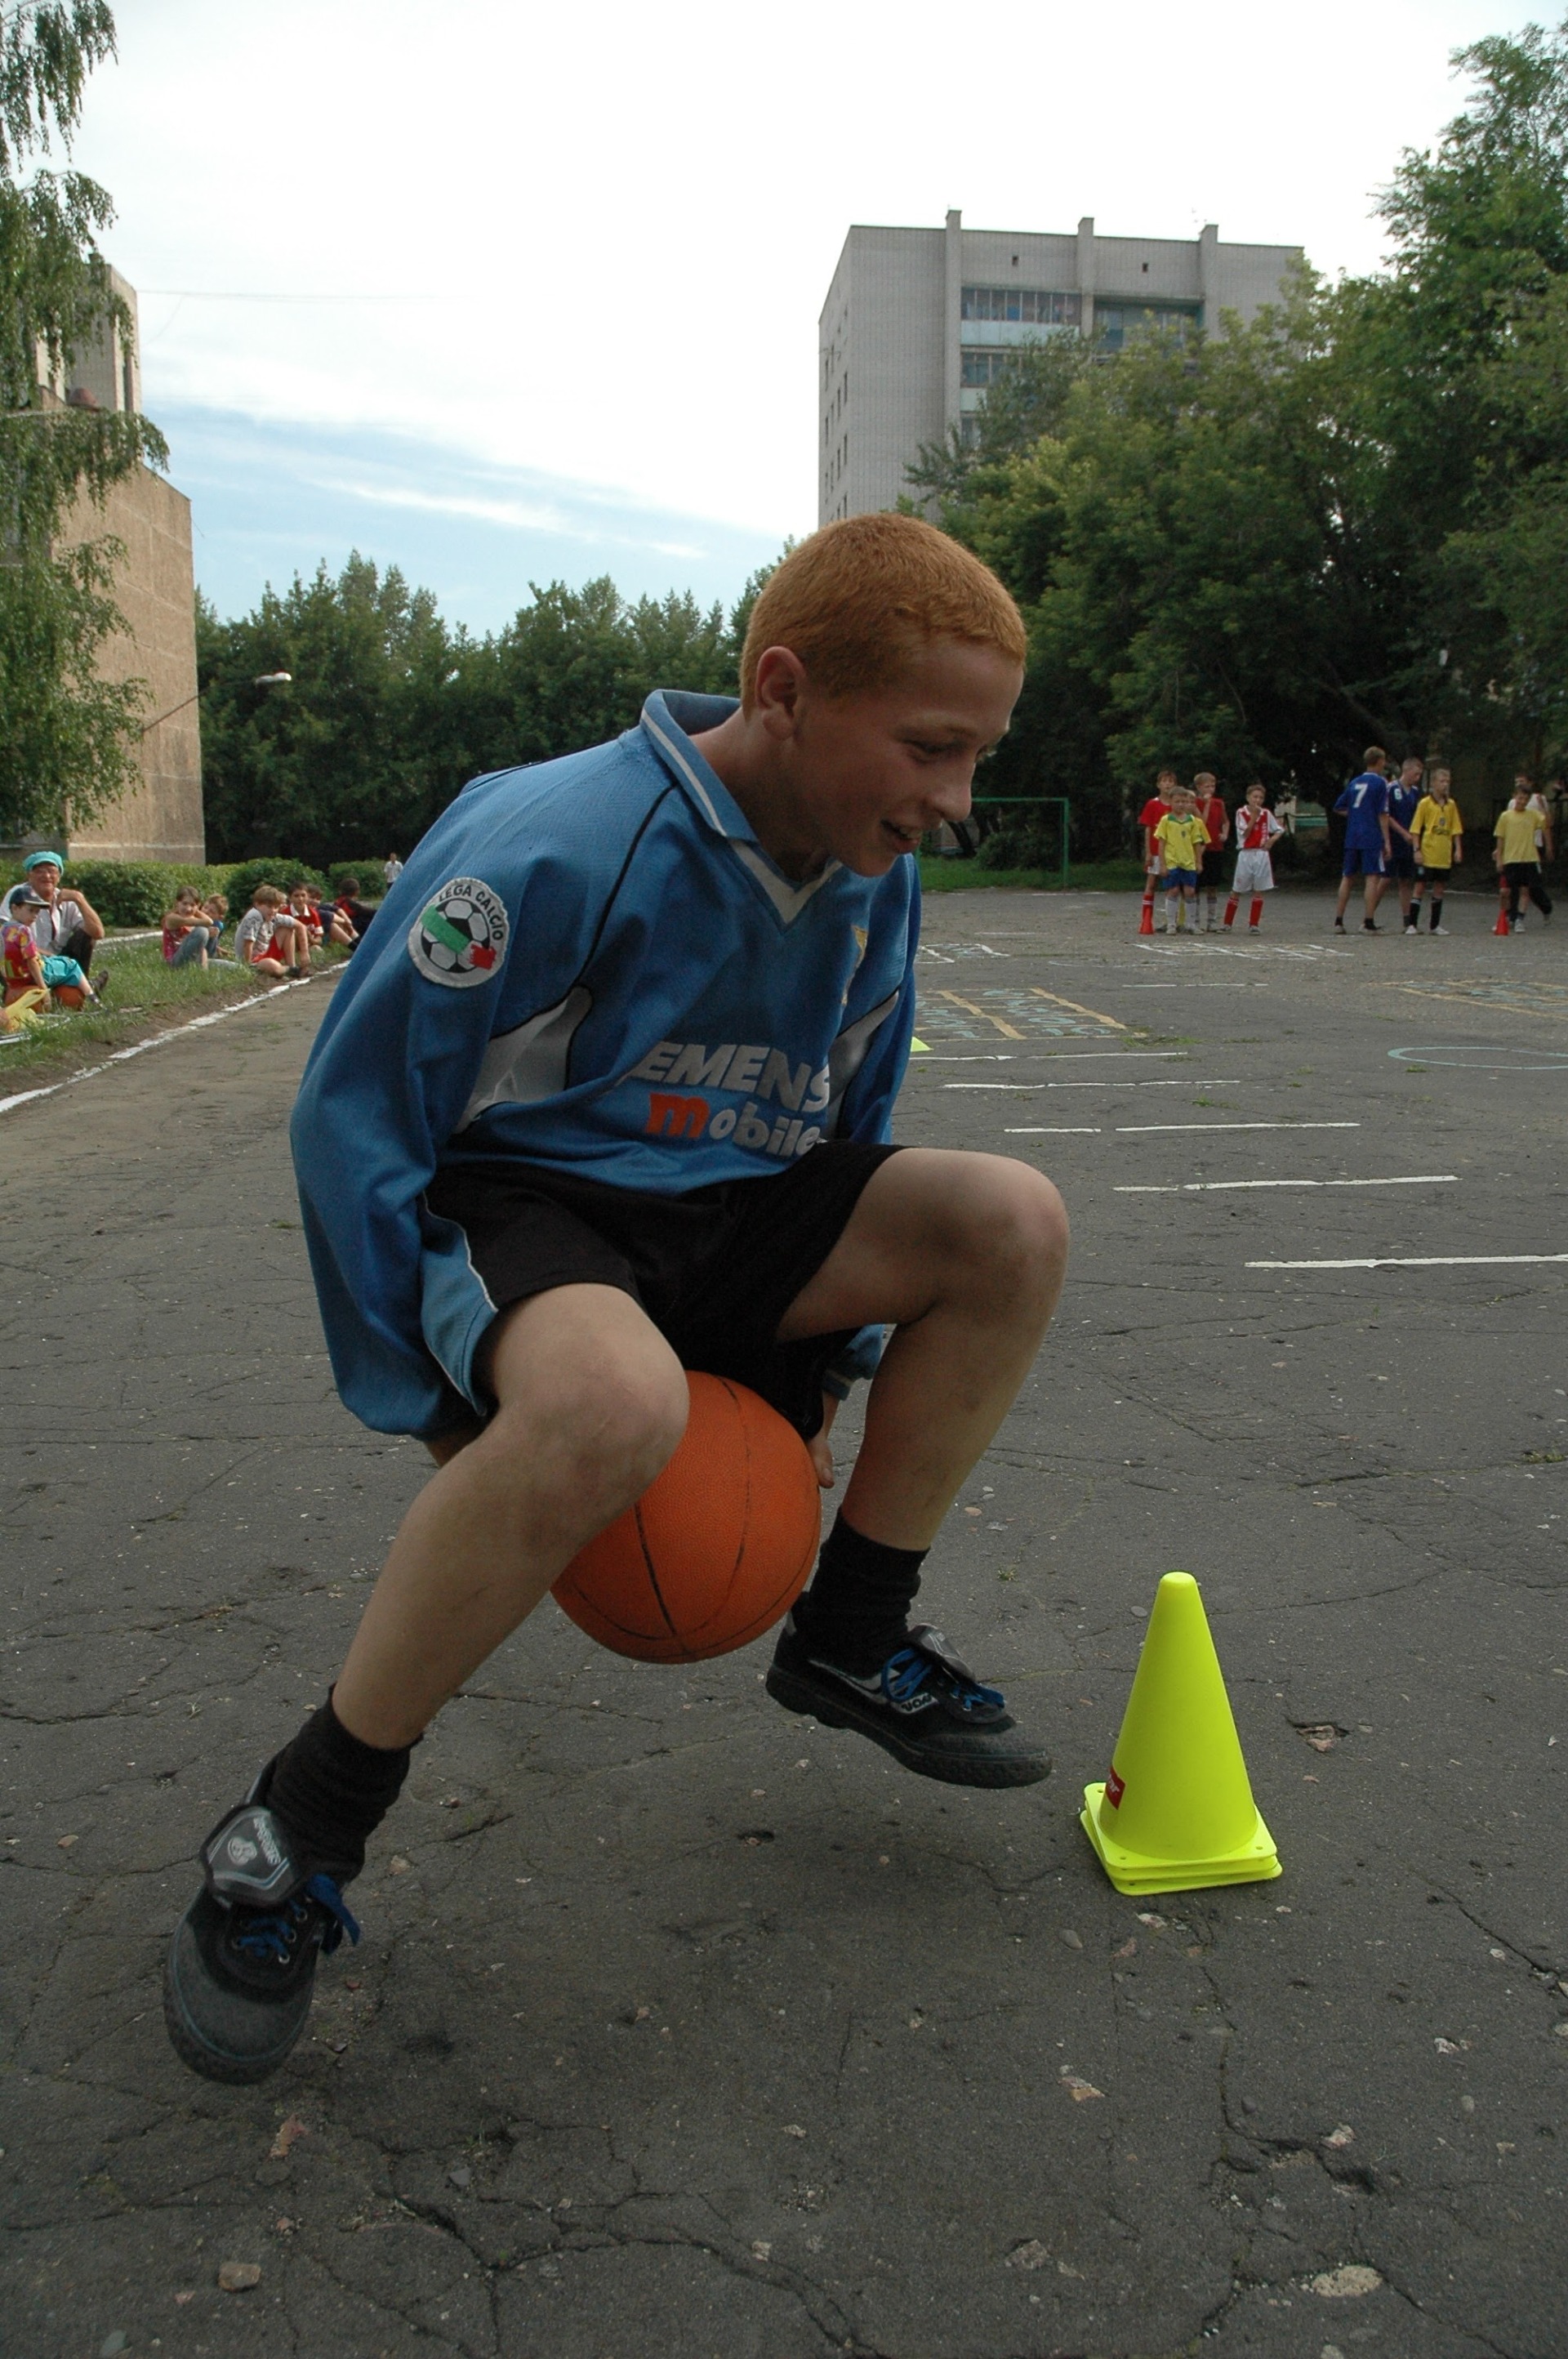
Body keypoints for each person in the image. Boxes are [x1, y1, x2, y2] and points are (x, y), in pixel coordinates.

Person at [162, 512, 1070, 2086]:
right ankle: (294, 1832)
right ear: (783, 689)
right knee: (611, 1400)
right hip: (541, 1206)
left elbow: (853, 1112)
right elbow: (355, 1118)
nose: (955, 798)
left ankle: (852, 1633)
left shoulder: (873, 872)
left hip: (737, 1212)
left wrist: (818, 1375)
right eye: (932, 746)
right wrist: (430, 1394)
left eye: (979, 756)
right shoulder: (551, 838)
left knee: (1011, 1221)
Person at [1, 850, 104, 975]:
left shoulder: (66, 899)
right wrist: (47, 955)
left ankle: (81, 983)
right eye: (39, 871)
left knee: (88, 935)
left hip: (58, 958)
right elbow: (4, 934)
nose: (46, 876)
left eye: (52, 871)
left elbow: (98, 933)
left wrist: (79, 899)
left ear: (59, 876)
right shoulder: (20, 894)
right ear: (29, 875)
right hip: (27, 957)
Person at [1, 882, 96, 1006]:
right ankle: (92, 997)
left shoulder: (3, 930)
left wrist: (11, 984)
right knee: (71, 965)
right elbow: (32, 962)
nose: (34, 916)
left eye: (37, 912)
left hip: (16, 978)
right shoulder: (24, 931)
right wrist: (43, 988)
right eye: (31, 911)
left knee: (54, 960)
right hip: (36, 974)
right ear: (14, 908)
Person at [1333, 748, 1392, 932]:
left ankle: (1338, 921)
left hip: (1352, 835)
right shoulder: (1380, 783)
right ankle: (1368, 922)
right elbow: (1383, 813)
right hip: (1370, 835)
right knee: (1372, 877)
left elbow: (1339, 807)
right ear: (1379, 761)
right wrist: (1387, 841)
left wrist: (1355, 814)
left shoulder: (1354, 782)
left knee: (1347, 876)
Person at [1223, 783, 1285, 931]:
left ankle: (1254, 924)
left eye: (1261, 798)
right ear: (1248, 797)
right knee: (1237, 888)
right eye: (1255, 797)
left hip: (1261, 853)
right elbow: (1245, 833)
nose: (1257, 800)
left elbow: (1279, 829)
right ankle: (1227, 923)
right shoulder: (1241, 813)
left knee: (1259, 889)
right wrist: (1254, 817)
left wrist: (1271, 840)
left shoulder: (1266, 814)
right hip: (1246, 853)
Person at [1409, 771, 1463, 933]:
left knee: (1439, 889)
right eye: (1442, 781)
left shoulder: (1451, 805)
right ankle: (1412, 924)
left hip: (1443, 855)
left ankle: (1435, 925)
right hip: (1427, 853)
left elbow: (1456, 829)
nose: (1445, 785)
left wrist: (1458, 849)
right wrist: (1417, 850)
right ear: (1433, 783)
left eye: (1447, 781)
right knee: (1419, 887)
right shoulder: (1425, 803)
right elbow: (1416, 829)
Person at [1494, 784, 1553, 930]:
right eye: (1520, 798)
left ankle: (1520, 919)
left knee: (1525, 890)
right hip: (1510, 859)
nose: (1522, 802)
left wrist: (1542, 807)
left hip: (1528, 858)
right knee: (1506, 891)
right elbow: (1500, 838)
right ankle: (1506, 917)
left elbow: (1548, 824)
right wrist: (1499, 858)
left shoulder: (1533, 815)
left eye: (1526, 799)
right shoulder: (1506, 816)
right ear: (1514, 796)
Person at [1153, 785, 1209, 935]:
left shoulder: (1192, 821)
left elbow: (1197, 842)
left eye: (1184, 801)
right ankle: (1171, 923)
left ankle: (1191, 924)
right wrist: (1163, 864)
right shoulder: (1166, 820)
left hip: (1188, 862)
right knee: (1173, 890)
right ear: (1171, 802)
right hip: (1172, 861)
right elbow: (1161, 843)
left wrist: (1198, 861)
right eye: (1177, 801)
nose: (1181, 804)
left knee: (1190, 891)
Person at [234, 885, 311, 978]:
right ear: (257, 905)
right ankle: (289, 970)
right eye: (269, 906)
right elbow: (248, 944)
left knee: (287, 929)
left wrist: (304, 953)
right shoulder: (254, 916)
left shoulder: (273, 916)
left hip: (264, 954)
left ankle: (292, 966)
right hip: (252, 960)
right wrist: (247, 967)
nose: (273, 910)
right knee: (271, 965)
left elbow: (300, 926)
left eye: (276, 907)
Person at [1386, 756, 1425, 932]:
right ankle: (1368, 917)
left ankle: (1407, 919)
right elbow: (1386, 816)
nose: (1417, 778)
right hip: (1394, 840)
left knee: (1406, 880)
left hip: (1409, 843)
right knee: (1385, 879)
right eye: (1416, 774)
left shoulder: (1416, 793)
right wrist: (1402, 833)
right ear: (1406, 770)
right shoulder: (1391, 789)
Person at [1192, 772, 1228, 931]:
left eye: (1213, 786)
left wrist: (1225, 833)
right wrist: (1206, 804)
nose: (1210, 789)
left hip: (1215, 846)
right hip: (1200, 847)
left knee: (1212, 885)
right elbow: (1202, 823)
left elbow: (1225, 821)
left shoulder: (1219, 803)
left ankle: (1211, 921)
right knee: (1196, 886)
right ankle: (1195, 920)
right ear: (1199, 787)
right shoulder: (1194, 803)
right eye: (1207, 786)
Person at [1138, 769, 1178, 888]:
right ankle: (1147, 901)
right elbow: (1148, 829)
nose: (1167, 784)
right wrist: (1148, 852)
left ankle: (1172, 901)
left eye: (1170, 781)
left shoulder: (1178, 805)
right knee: (1151, 881)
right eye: (1164, 781)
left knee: (1174, 883)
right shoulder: (1152, 804)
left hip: (1174, 850)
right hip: (1156, 848)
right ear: (1158, 784)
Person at [162, 886, 213, 969]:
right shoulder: (172, 918)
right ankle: (201, 970)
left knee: (230, 966)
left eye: (192, 905)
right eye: (184, 904)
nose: (188, 909)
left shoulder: (192, 919)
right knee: (202, 931)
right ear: (177, 903)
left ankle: (202, 967)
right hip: (175, 962)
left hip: (193, 960)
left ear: (198, 905)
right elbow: (209, 922)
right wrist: (196, 910)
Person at [332, 876, 377, 952]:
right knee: (367, 919)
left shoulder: (338, 901)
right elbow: (364, 911)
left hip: (343, 925)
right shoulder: (349, 902)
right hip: (350, 925)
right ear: (357, 891)